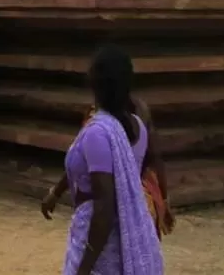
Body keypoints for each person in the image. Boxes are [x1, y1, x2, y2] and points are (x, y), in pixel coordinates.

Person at [48, 45, 161, 275]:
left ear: (94, 83)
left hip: (101, 245)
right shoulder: (137, 126)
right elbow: (153, 162)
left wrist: (84, 268)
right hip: (127, 233)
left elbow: (104, 206)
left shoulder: (97, 132)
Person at [44, 98, 175, 243]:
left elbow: (80, 161)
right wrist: (164, 199)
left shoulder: (95, 119)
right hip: (139, 202)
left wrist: (56, 193)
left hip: (105, 202)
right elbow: (155, 156)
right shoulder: (140, 111)